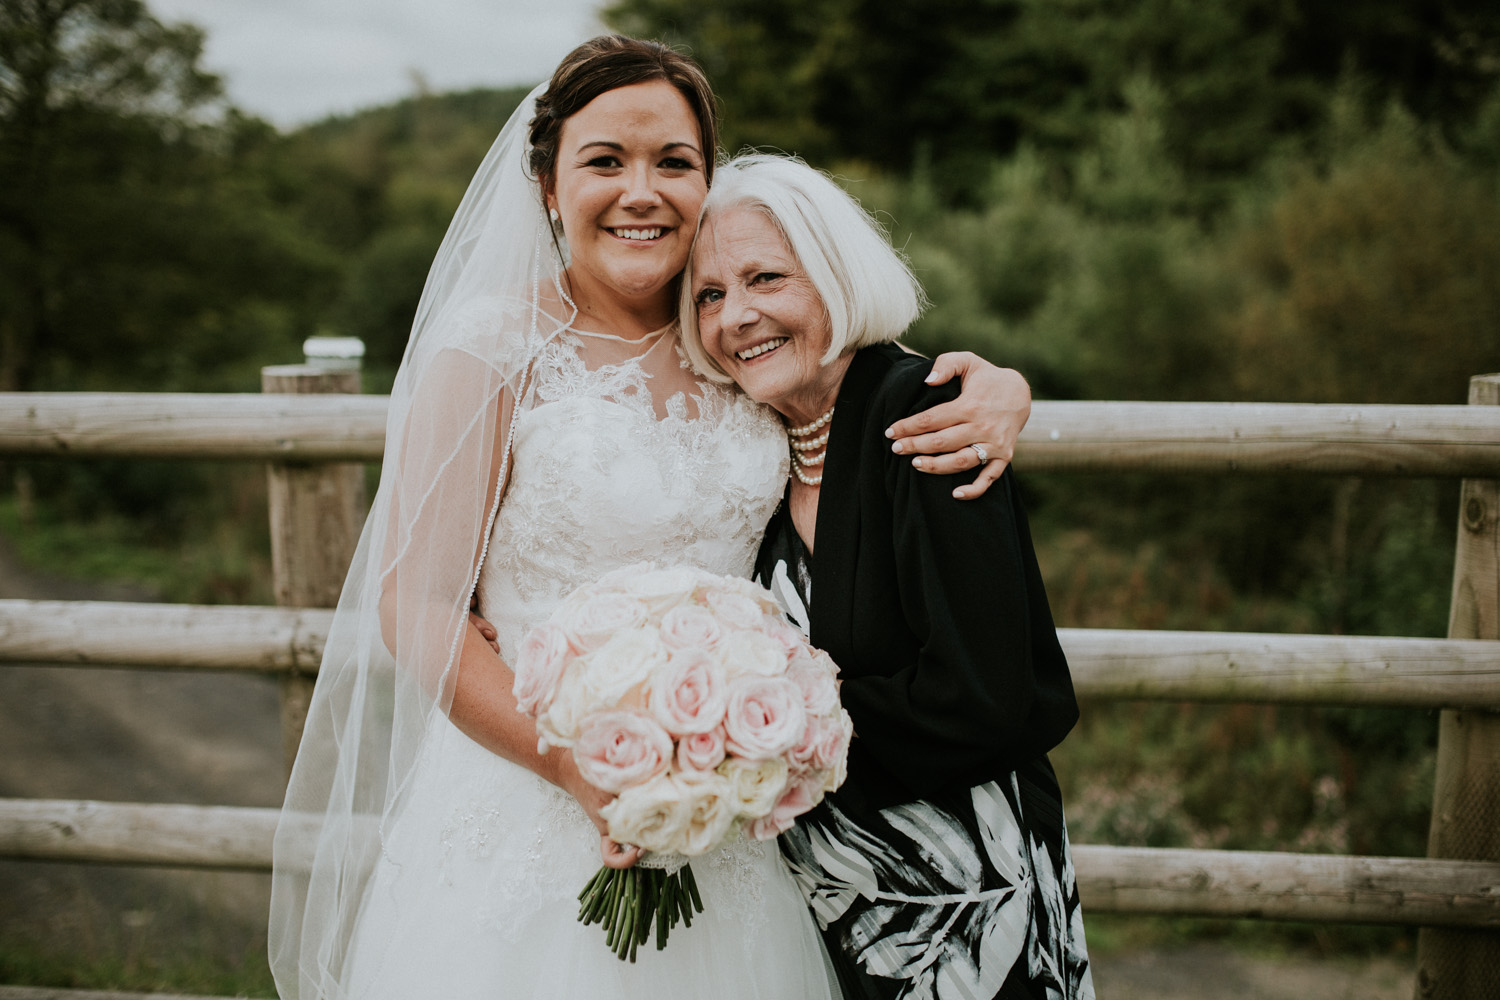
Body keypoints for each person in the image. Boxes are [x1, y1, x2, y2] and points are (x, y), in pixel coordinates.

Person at [269, 36, 1035, 1000]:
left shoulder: (726, 332)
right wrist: (584, 771)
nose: (643, 191)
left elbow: (853, 368)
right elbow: (417, 610)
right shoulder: (493, 348)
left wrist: (999, 388)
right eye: (605, 162)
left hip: (732, 810)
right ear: (548, 185)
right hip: (534, 798)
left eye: (674, 163)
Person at [680, 153, 1095, 1000]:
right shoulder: (750, 446)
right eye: (710, 296)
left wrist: (747, 734)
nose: (739, 316)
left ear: (835, 276)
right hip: (823, 903)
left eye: (766, 278)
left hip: (964, 905)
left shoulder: (929, 422)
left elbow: (986, 698)